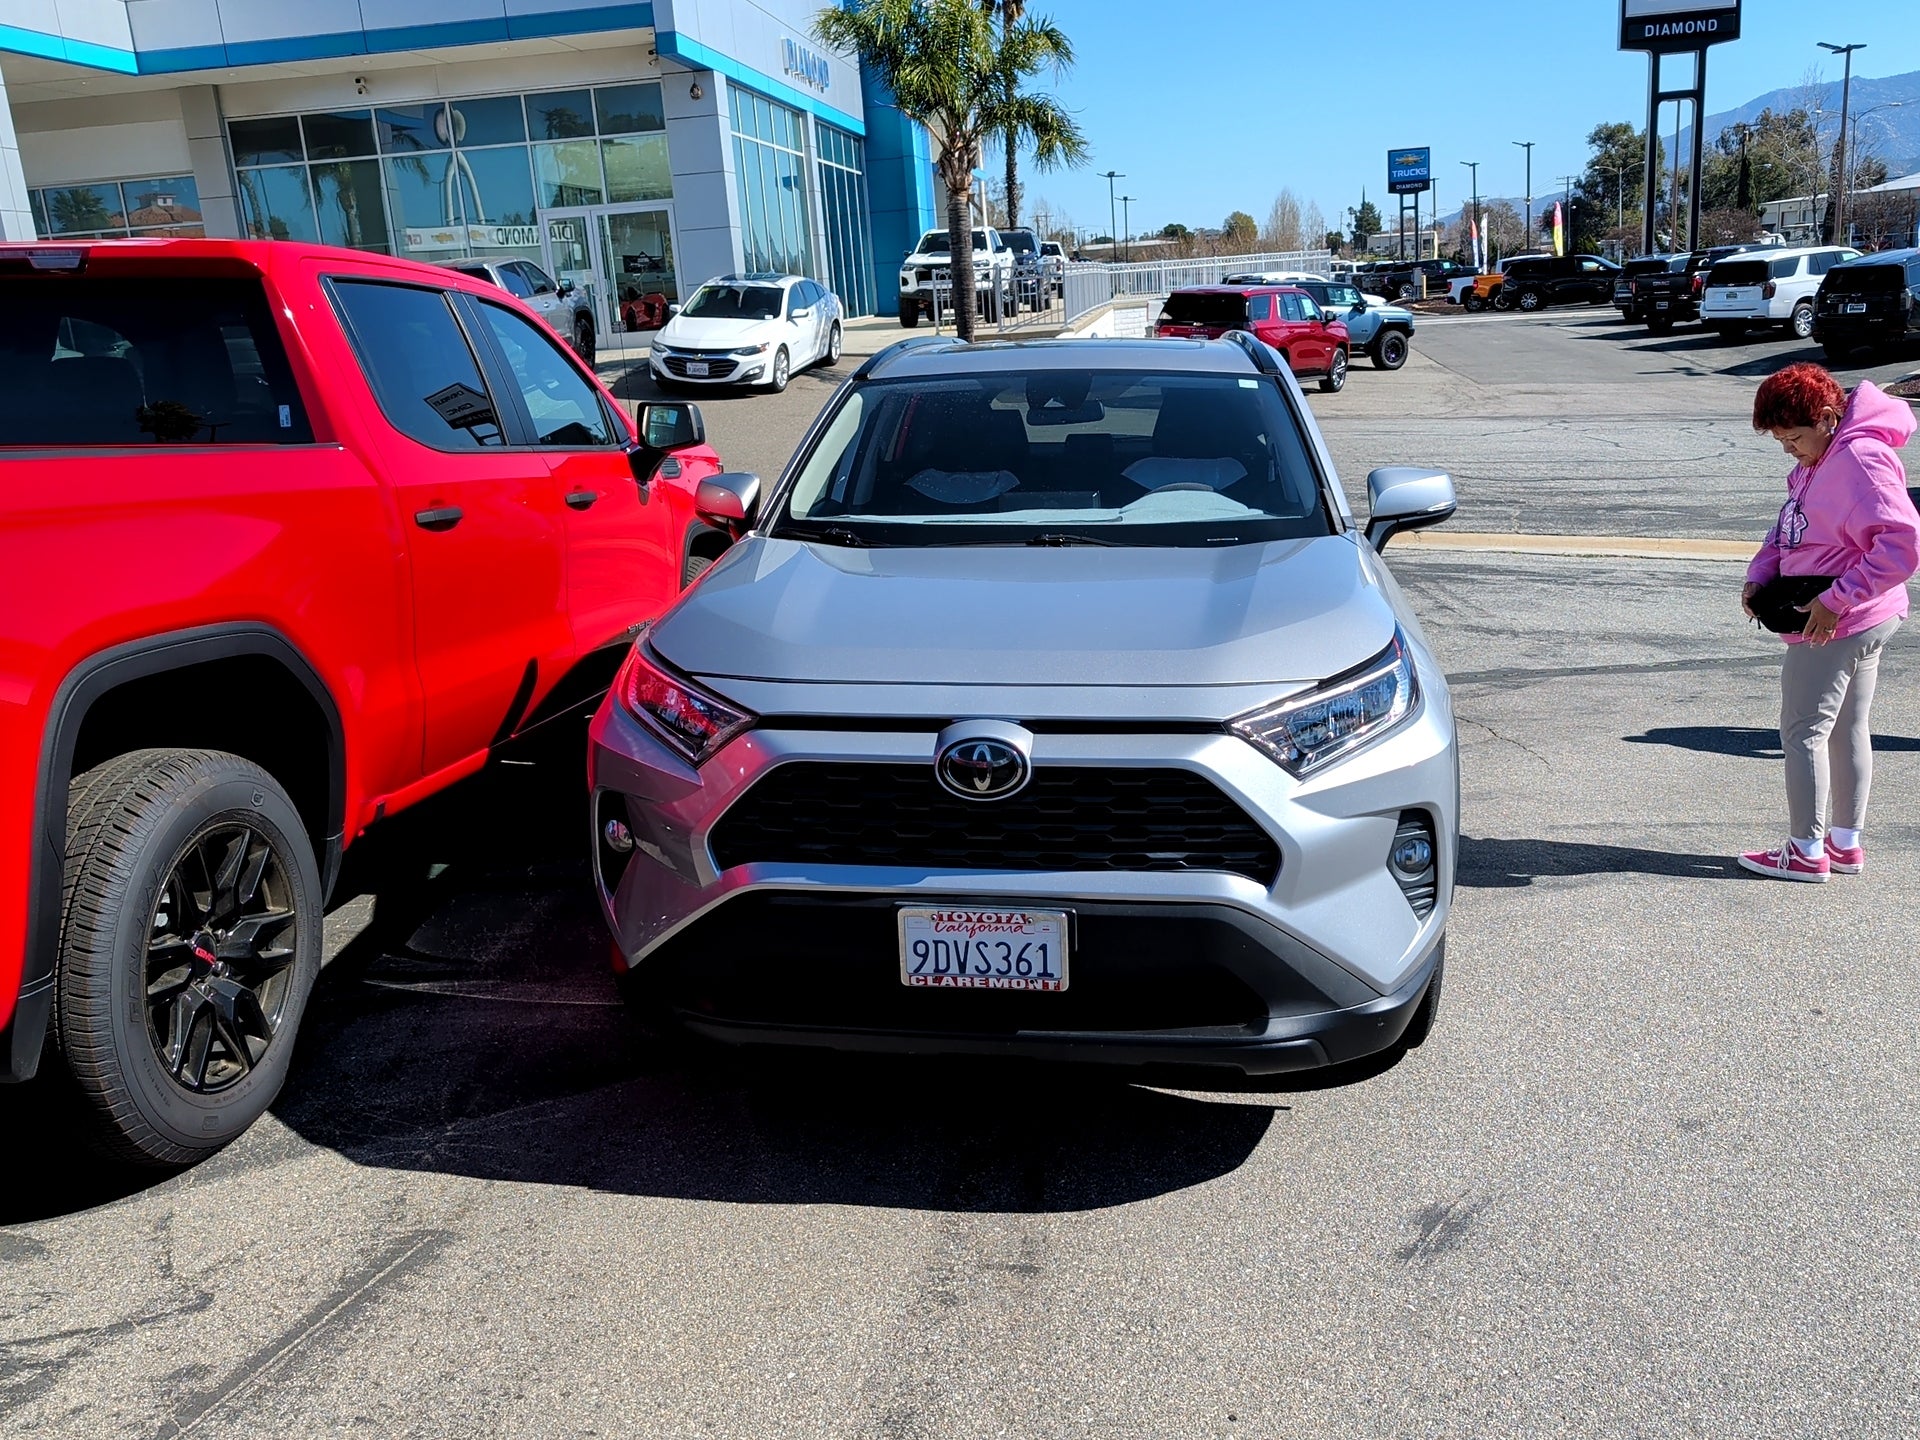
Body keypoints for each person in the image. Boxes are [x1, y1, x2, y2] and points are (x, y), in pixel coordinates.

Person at [1739, 363, 1918, 881]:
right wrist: (1760, 573)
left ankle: (1805, 850)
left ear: (1824, 416)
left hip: (1837, 620)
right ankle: (1843, 844)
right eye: (1779, 441)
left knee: (1803, 733)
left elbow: (1902, 544)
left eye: (1793, 437)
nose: (1788, 450)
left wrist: (1836, 600)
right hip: (1856, 613)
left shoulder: (1859, 458)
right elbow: (1789, 527)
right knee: (1845, 728)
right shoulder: (1823, 457)